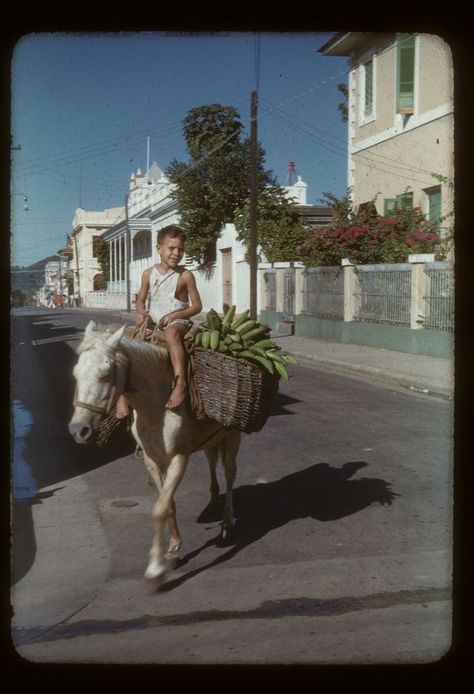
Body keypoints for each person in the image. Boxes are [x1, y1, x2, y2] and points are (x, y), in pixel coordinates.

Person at [116, 224, 202, 416]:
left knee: (172, 334)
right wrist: (141, 313)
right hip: (154, 323)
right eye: (171, 248)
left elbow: (196, 306)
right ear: (159, 249)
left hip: (178, 322)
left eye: (180, 249)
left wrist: (176, 316)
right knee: (127, 344)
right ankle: (123, 395)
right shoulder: (148, 273)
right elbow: (141, 298)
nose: (176, 253)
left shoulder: (185, 276)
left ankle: (180, 383)